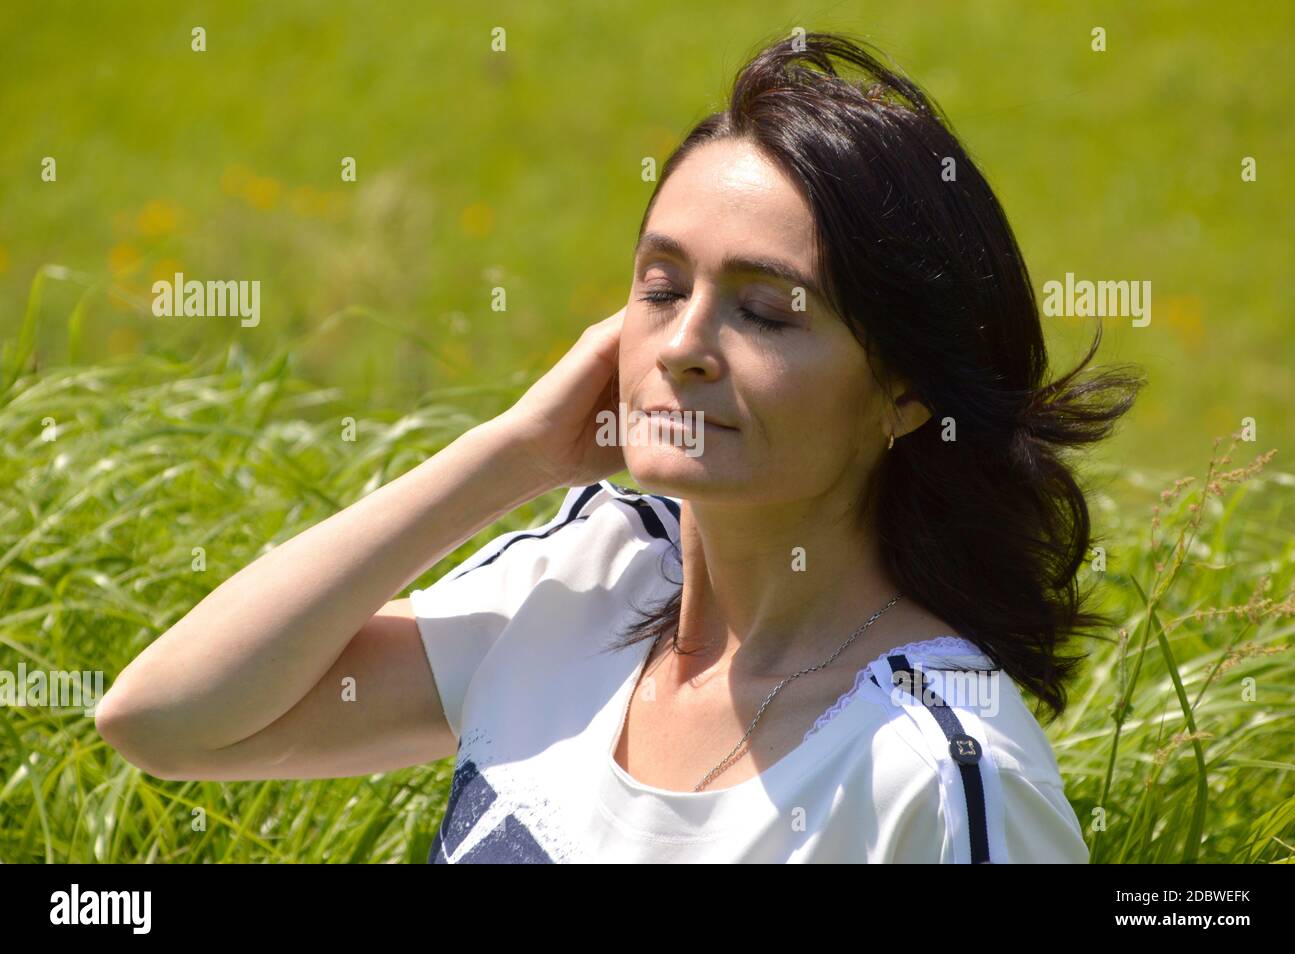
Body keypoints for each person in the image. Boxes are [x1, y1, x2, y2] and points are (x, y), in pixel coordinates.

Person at [94, 30, 1144, 863]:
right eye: (660, 287)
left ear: (907, 389)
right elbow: (167, 720)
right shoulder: (588, 580)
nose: (683, 346)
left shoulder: (937, 771)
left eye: (767, 312)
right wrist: (515, 454)